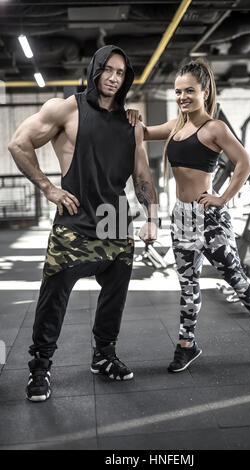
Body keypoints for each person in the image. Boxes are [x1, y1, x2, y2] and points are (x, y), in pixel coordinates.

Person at [8, 45, 159, 402]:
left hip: (116, 219)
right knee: (54, 296)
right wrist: (48, 187)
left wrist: (153, 216)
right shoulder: (66, 109)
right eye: (108, 69)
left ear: (126, 79)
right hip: (75, 219)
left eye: (121, 73)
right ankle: (41, 367)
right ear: (95, 70)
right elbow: (18, 143)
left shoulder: (131, 122)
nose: (113, 77)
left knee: (115, 296)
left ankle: (104, 356)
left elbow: (141, 174)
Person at [126, 58, 250, 373]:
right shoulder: (175, 126)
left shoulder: (214, 128)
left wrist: (223, 197)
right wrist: (132, 116)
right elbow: (141, 133)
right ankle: (187, 344)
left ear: (205, 91)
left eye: (189, 91)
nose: (182, 97)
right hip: (182, 217)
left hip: (209, 216)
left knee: (235, 278)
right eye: (177, 92)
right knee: (187, 283)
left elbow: (245, 163)